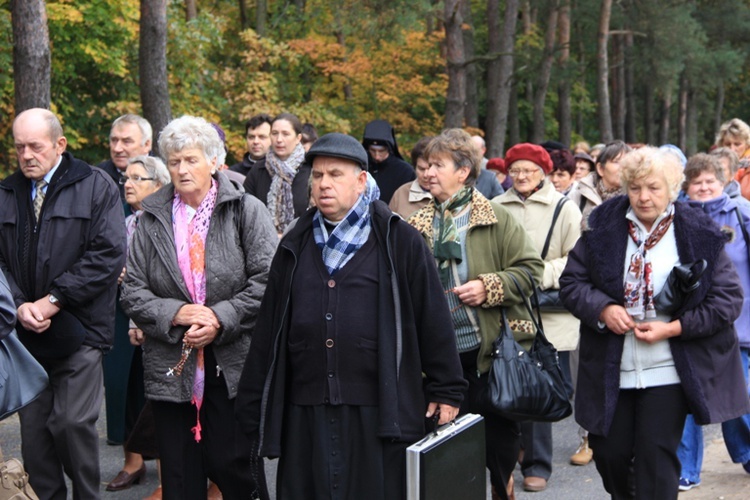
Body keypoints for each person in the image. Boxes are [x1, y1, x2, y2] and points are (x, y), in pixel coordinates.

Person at [235, 132, 466, 499]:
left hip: (377, 406)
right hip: (305, 408)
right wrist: (251, 404)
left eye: (335, 174)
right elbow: (269, 330)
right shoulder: (294, 244)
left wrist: (447, 387)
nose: (324, 183)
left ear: (361, 181)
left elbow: (432, 319)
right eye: (317, 175)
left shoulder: (399, 240)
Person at [559, 146, 750, 499]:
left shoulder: (698, 231)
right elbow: (572, 283)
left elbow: (727, 299)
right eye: (635, 188)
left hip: (670, 369)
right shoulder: (602, 226)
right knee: (610, 455)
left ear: (673, 188)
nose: (644, 197)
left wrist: (674, 328)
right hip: (612, 367)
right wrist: (602, 309)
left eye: (654, 188)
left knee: (656, 460)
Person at [120, 115, 278, 500]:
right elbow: (132, 291)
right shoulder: (151, 217)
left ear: (214, 161)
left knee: (235, 467)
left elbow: (268, 281)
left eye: (191, 159)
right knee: (180, 477)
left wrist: (218, 318)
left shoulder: (245, 209)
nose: (181, 169)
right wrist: (177, 313)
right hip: (172, 366)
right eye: (174, 161)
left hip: (231, 363)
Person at [407, 129, 544, 500]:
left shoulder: (495, 217)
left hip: (494, 359)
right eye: (426, 166)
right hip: (439, 364)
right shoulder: (415, 227)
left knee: (498, 453)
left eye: (438, 165)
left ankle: (505, 489)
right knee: (448, 458)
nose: (428, 173)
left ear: (463, 171)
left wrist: (490, 286)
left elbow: (532, 270)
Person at [0, 108, 127, 499]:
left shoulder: (96, 185)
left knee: (72, 425)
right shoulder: (6, 192)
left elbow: (108, 254)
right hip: (26, 336)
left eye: (35, 146)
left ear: (59, 144)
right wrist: (20, 305)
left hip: (82, 329)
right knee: (36, 440)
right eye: (19, 147)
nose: (26, 155)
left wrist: (54, 299)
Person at [493, 144, 582, 493]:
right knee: (503, 381)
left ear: (543, 172)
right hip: (506, 310)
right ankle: (510, 452)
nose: (521, 177)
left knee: (538, 387)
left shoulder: (565, 209)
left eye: (529, 170)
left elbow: (576, 259)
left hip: (548, 317)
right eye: (515, 170)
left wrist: (534, 273)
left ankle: (538, 462)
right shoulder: (496, 206)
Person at [675, 153, 750, 490]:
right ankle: (686, 469)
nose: (704, 187)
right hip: (690, 324)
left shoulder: (741, 214)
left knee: (737, 395)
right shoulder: (675, 218)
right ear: (687, 186)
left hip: (739, 324)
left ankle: (746, 452)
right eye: (697, 182)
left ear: (722, 183)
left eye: (710, 181)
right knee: (687, 399)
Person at [103, 155, 170, 493]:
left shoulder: (169, 221)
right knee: (129, 391)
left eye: (137, 178)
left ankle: (168, 477)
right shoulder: (130, 223)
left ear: (159, 185)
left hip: (160, 321)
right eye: (126, 178)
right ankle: (134, 464)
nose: (127, 184)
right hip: (126, 316)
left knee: (160, 397)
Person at [242, 112, 311, 234]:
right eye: (274, 134)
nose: (279, 139)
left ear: (298, 138)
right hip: (264, 244)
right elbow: (244, 212)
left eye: (285, 134)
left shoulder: (311, 170)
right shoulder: (258, 170)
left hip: (302, 244)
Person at [569, 140, 632, 229]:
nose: (623, 167)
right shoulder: (579, 196)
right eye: (617, 162)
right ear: (600, 169)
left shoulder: (635, 199)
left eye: (627, 162)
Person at [98, 114, 153, 200]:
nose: (117, 149)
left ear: (146, 145)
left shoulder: (166, 176)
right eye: (114, 140)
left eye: (127, 141)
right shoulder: (97, 176)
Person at [362, 119, 416, 204]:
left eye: (381, 151)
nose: (377, 156)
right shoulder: (362, 167)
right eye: (372, 150)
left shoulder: (405, 172)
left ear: (389, 148)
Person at [389, 136, 434, 218]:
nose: (426, 175)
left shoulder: (450, 194)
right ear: (414, 167)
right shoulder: (401, 194)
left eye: (430, 168)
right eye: (421, 169)